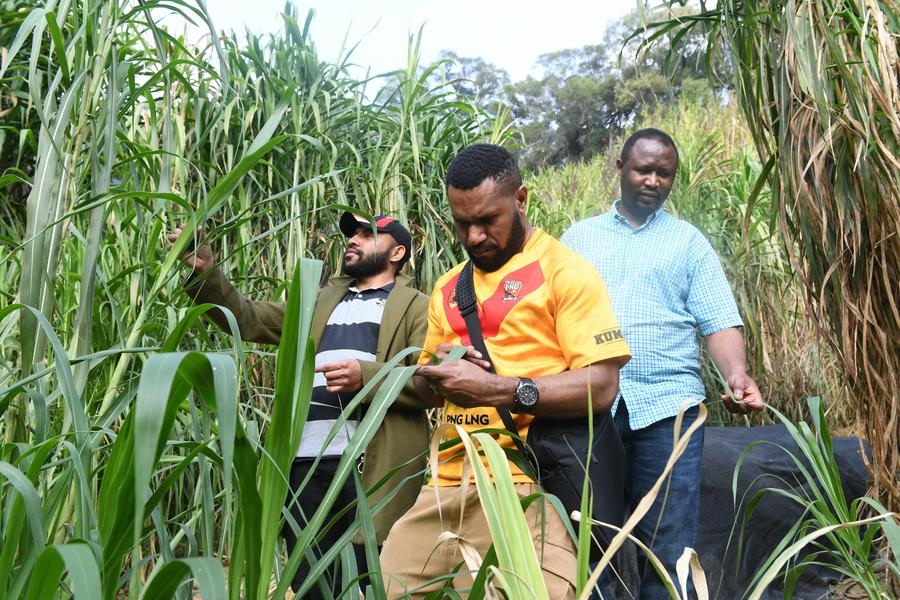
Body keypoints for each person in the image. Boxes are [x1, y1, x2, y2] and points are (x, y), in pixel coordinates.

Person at [379, 143, 632, 599]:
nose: (474, 236)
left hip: (525, 482)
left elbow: (601, 386)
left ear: (521, 200)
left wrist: (498, 389)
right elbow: (424, 386)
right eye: (462, 223)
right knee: (387, 587)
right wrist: (441, 370)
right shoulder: (448, 287)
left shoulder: (565, 272)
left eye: (487, 220)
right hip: (445, 484)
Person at [168, 211, 429, 598]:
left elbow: (428, 381)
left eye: (367, 234)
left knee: (367, 583)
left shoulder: (417, 306)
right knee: (309, 582)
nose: (353, 240)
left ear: (398, 252)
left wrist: (367, 376)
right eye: (351, 234)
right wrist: (207, 273)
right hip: (305, 464)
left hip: (370, 469)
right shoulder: (319, 299)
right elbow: (249, 318)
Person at [561, 128, 764, 599]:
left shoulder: (688, 244)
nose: (653, 180)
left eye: (664, 173)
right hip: (590, 410)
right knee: (591, 544)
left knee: (669, 548)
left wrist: (736, 373)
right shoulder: (578, 239)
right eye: (643, 170)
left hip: (669, 410)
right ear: (620, 170)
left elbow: (719, 322)